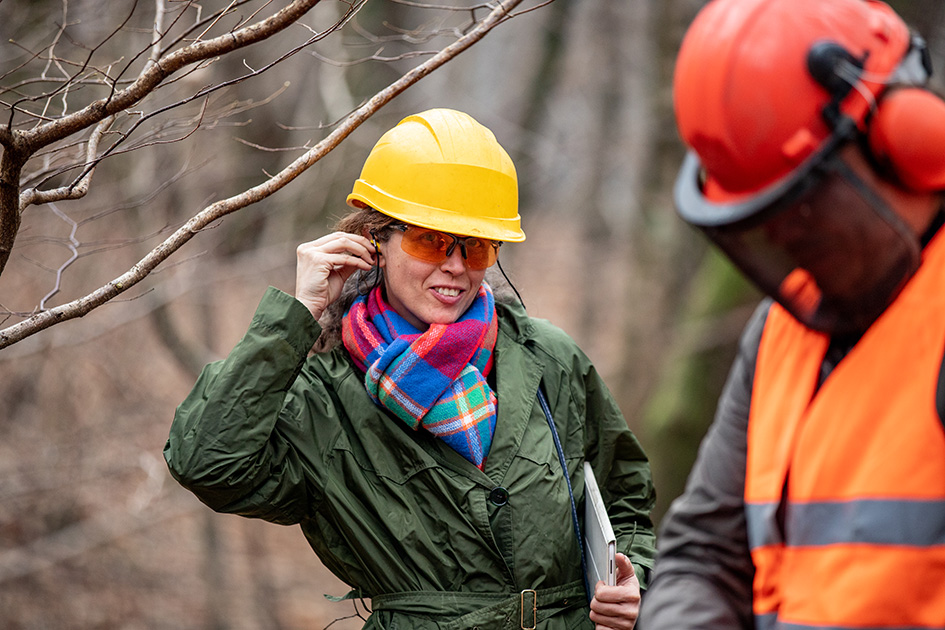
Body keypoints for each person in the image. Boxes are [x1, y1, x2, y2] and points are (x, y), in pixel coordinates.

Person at [164, 108, 656, 629]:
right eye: (430, 241)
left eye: (478, 246)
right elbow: (207, 464)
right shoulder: (322, 396)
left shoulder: (548, 356)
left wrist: (631, 578)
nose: (455, 265)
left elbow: (624, 493)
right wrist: (295, 319)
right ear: (376, 240)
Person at [637, 0, 945, 629]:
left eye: (806, 209)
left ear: (906, 135)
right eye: (769, 227)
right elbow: (703, 553)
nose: (792, 243)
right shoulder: (781, 331)